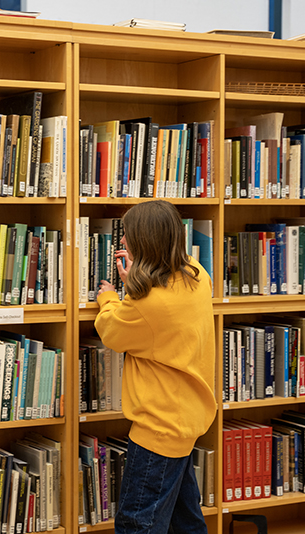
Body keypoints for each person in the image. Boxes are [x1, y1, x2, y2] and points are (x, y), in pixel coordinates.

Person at [94, 200, 216, 534]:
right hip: (186, 418)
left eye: (127, 237)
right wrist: (139, 277)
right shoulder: (197, 274)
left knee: (137, 524)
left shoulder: (149, 303)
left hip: (159, 427)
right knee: (185, 520)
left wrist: (111, 297)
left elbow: (112, 332)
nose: (122, 243)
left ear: (145, 243)